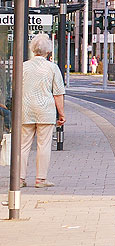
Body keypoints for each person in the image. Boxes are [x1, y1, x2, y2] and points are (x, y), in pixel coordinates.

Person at [19, 33, 66, 188]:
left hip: (25, 109)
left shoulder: (23, 66)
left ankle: (19, 178)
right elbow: (58, 93)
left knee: (23, 145)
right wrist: (62, 114)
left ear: (33, 50)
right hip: (45, 110)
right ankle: (41, 179)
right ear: (48, 51)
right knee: (44, 145)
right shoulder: (52, 68)